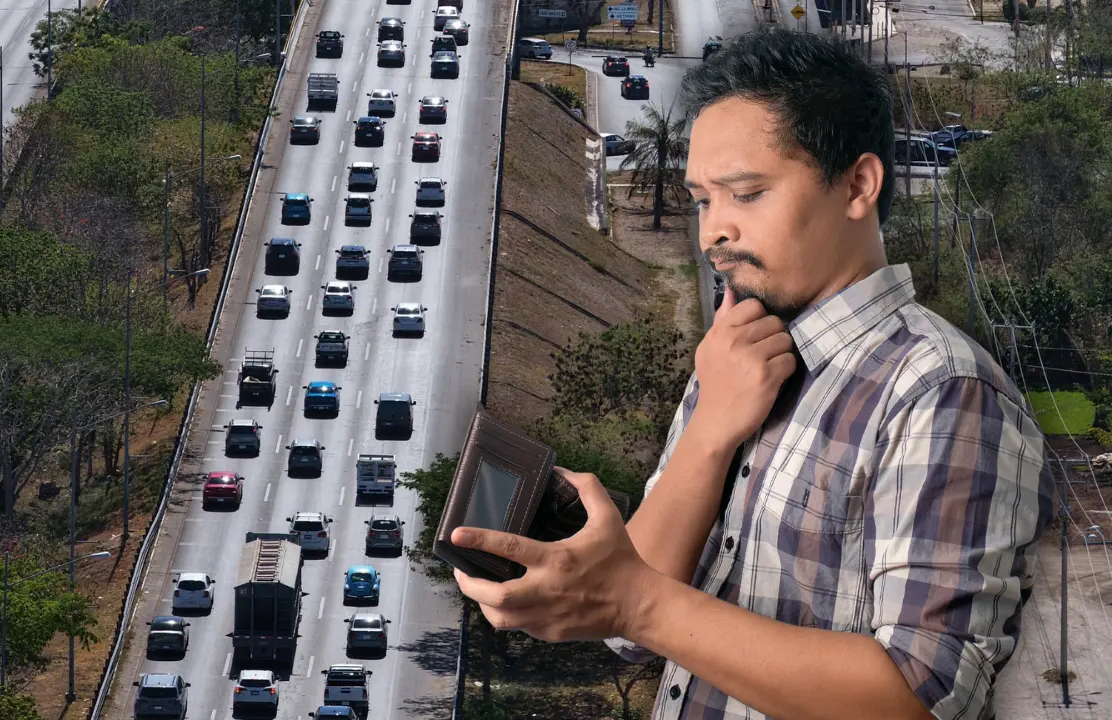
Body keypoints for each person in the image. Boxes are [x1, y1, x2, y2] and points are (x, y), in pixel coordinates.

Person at [450, 26, 1055, 720]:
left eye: (746, 194)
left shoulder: (942, 393)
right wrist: (708, 434)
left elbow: (920, 698)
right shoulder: (734, 352)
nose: (713, 231)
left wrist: (634, 600)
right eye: (705, 199)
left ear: (858, 184)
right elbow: (627, 627)